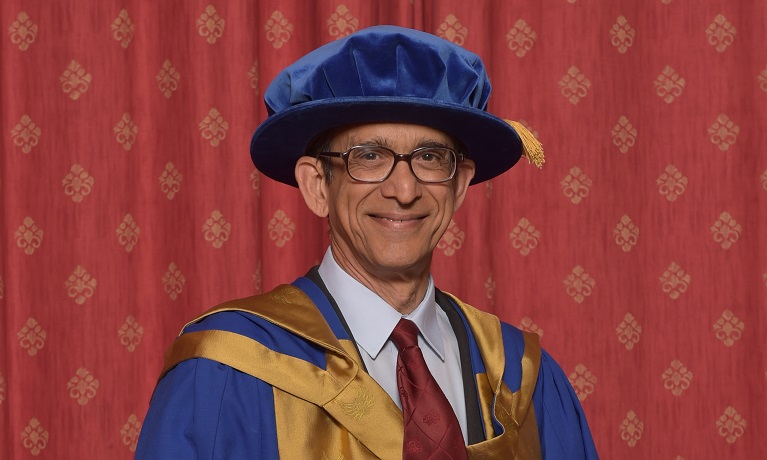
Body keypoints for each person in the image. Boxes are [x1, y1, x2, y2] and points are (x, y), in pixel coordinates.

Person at [136, 25, 598, 459]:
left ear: (459, 186)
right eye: (370, 156)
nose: (403, 190)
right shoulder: (226, 370)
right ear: (317, 185)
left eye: (431, 157)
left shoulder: (521, 378)